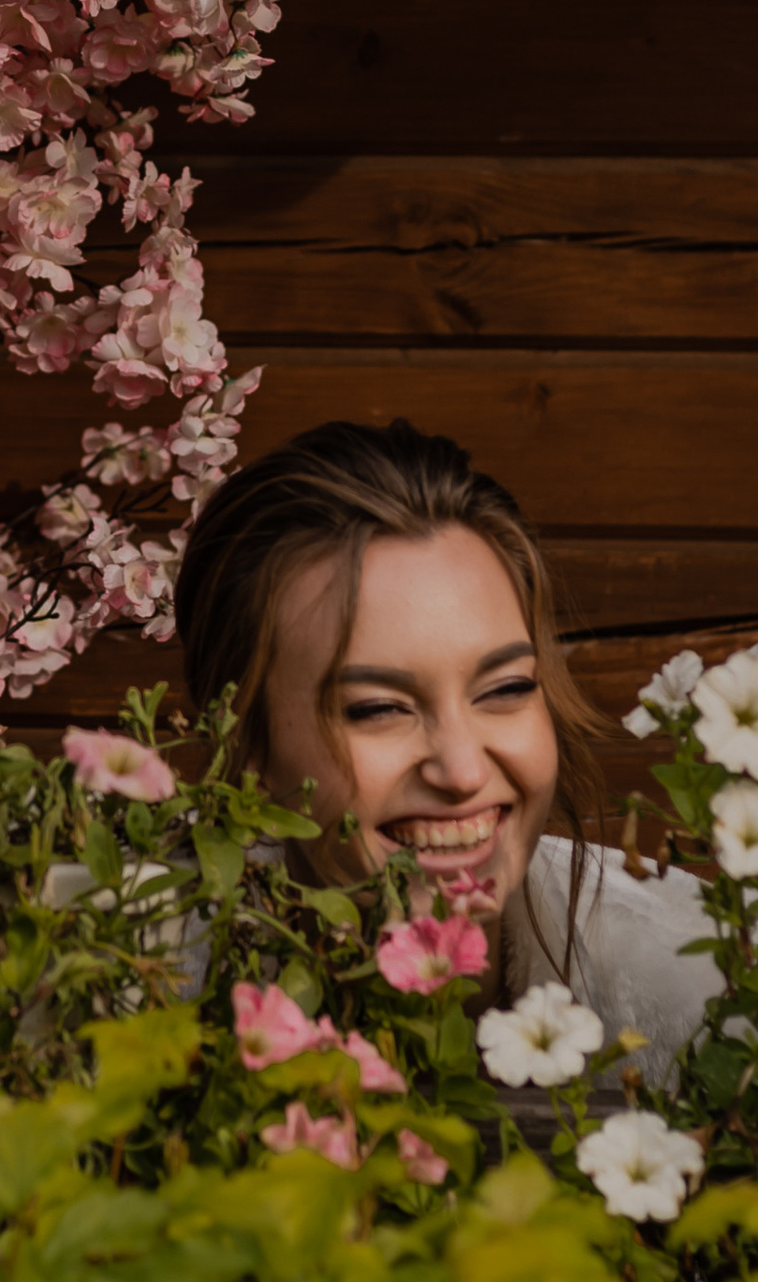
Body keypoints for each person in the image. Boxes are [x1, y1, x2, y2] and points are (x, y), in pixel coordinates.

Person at [173, 416, 720, 1092]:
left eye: (506, 689)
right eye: (378, 708)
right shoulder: (130, 979)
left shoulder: (706, 992)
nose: (463, 772)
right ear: (244, 740)